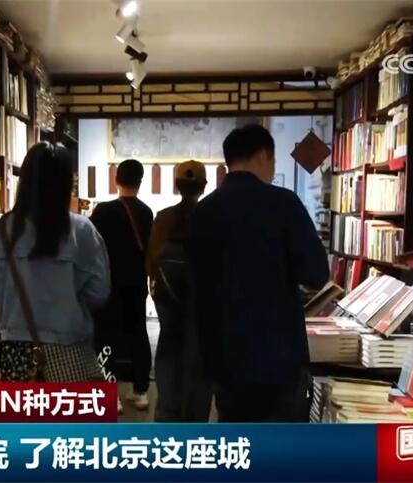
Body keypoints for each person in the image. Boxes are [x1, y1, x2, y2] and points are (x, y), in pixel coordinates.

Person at [188, 125, 329, 422]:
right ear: (264, 156)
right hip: (278, 357)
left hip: (223, 357)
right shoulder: (284, 203)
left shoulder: (203, 211)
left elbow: (196, 283)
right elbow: (316, 273)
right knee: (282, 445)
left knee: (237, 441)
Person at [0, 142, 110, 381]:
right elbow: (99, 293)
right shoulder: (82, 230)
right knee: (70, 405)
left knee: (24, 406)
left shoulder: (0, 231)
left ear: (25, 180)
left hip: (16, 353)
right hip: (70, 350)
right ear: (65, 182)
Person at [147, 160, 213, 422]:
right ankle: (194, 420)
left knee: (168, 352)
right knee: (199, 360)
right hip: (202, 303)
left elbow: (151, 262)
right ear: (204, 186)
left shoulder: (163, 218)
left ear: (176, 185)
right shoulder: (210, 217)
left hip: (168, 300)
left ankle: (167, 414)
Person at [90, 159, 154, 410]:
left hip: (108, 283)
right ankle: (141, 392)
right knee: (138, 333)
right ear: (140, 181)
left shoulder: (103, 211)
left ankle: (112, 396)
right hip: (136, 283)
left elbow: (93, 247)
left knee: (106, 338)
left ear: (116, 179)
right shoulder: (146, 212)